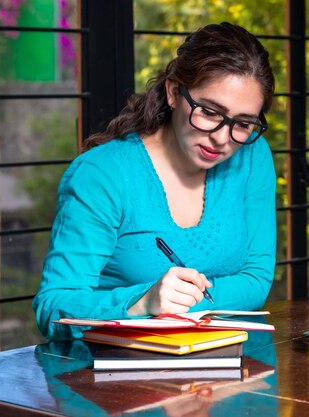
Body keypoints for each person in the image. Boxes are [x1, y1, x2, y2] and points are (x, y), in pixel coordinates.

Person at [32, 22, 277, 341]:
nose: (221, 138)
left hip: (220, 364)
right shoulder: (103, 174)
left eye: (243, 123)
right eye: (209, 112)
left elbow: (256, 280)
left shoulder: (252, 155)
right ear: (174, 92)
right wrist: (142, 302)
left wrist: (180, 305)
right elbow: (52, 308)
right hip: (110, 374)